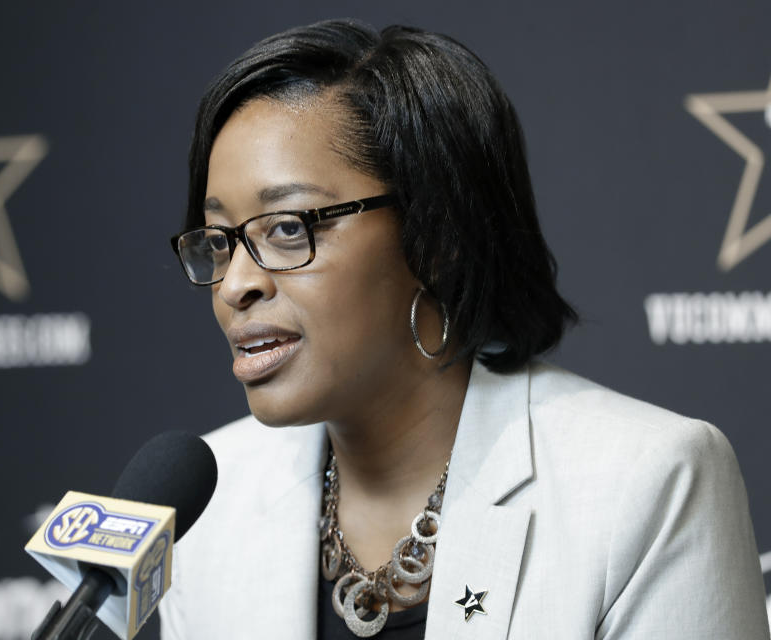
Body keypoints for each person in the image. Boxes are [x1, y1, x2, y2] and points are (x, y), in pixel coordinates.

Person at [160, 19, 769, 639]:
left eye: (288, 228)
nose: (235, 285)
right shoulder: (203, 508)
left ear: (436, 238)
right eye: (219, 240)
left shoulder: (648, 486)